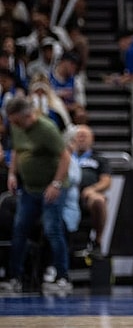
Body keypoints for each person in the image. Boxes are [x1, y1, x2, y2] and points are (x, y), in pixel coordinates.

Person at [0, 96, 73, 293]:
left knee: (52, 230)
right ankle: (14, 277)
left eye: (15, 120)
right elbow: (16, 150)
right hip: (30, 189)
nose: (12, 124)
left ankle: (62, 277)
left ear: (27, 116)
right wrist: (13, 174)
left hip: (52, 187)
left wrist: (56, 184)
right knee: (19, 229)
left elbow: (65, 157)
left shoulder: (46, 128)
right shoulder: (17, 127)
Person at [70, 124, 112, 252]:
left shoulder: (99, 159)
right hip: (67, 193)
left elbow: (106, 181)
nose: (81, 139)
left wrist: (93, 189)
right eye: (79, 136)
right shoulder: (66, 157)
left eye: (85, 136)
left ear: (92, 139)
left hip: (87, 195)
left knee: (99, 200)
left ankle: (97, 241)